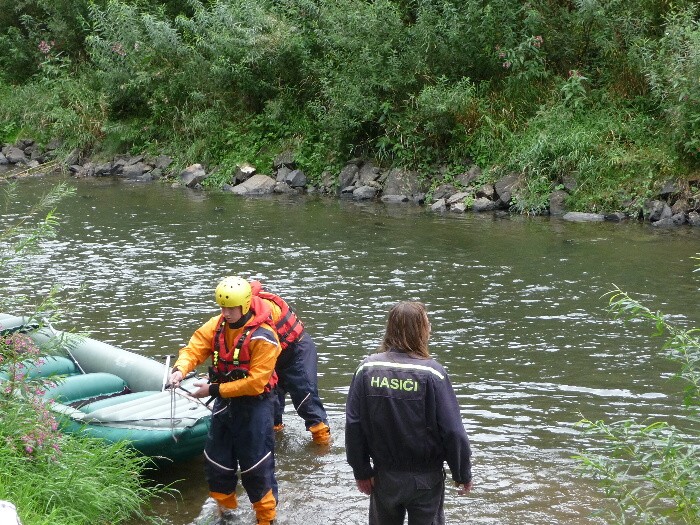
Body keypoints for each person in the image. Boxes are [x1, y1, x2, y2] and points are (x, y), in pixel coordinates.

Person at [345, 301, 473, 525]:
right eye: (428, 324)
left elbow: (354, 424)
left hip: (384, 477)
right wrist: (462, 473)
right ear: (421, 330)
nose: (430, 329)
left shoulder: (366, 369)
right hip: (425, 480)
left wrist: (361, 470)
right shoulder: (433, 373)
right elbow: (453, 431)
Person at [169, 276, 281, 525]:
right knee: (216, 460)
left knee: (256, 465)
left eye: (231, 308)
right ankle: (226, 513)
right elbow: (195, 347)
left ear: (244, 306)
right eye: (222, 307)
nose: (226, 313)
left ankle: (266, 518)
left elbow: (256, 383)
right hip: (225, 402)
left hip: (255, 405)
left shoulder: (264, 337)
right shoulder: (216, 325)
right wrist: (180, 369)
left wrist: (213, 390)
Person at [249, 279, 331, 445]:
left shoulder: (265, 310)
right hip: (272, 360)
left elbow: (265, 342)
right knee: (270, 407)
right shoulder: (235, 314)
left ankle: (323, 447)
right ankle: (276, 442)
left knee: (306, 401)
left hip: (296, 353)